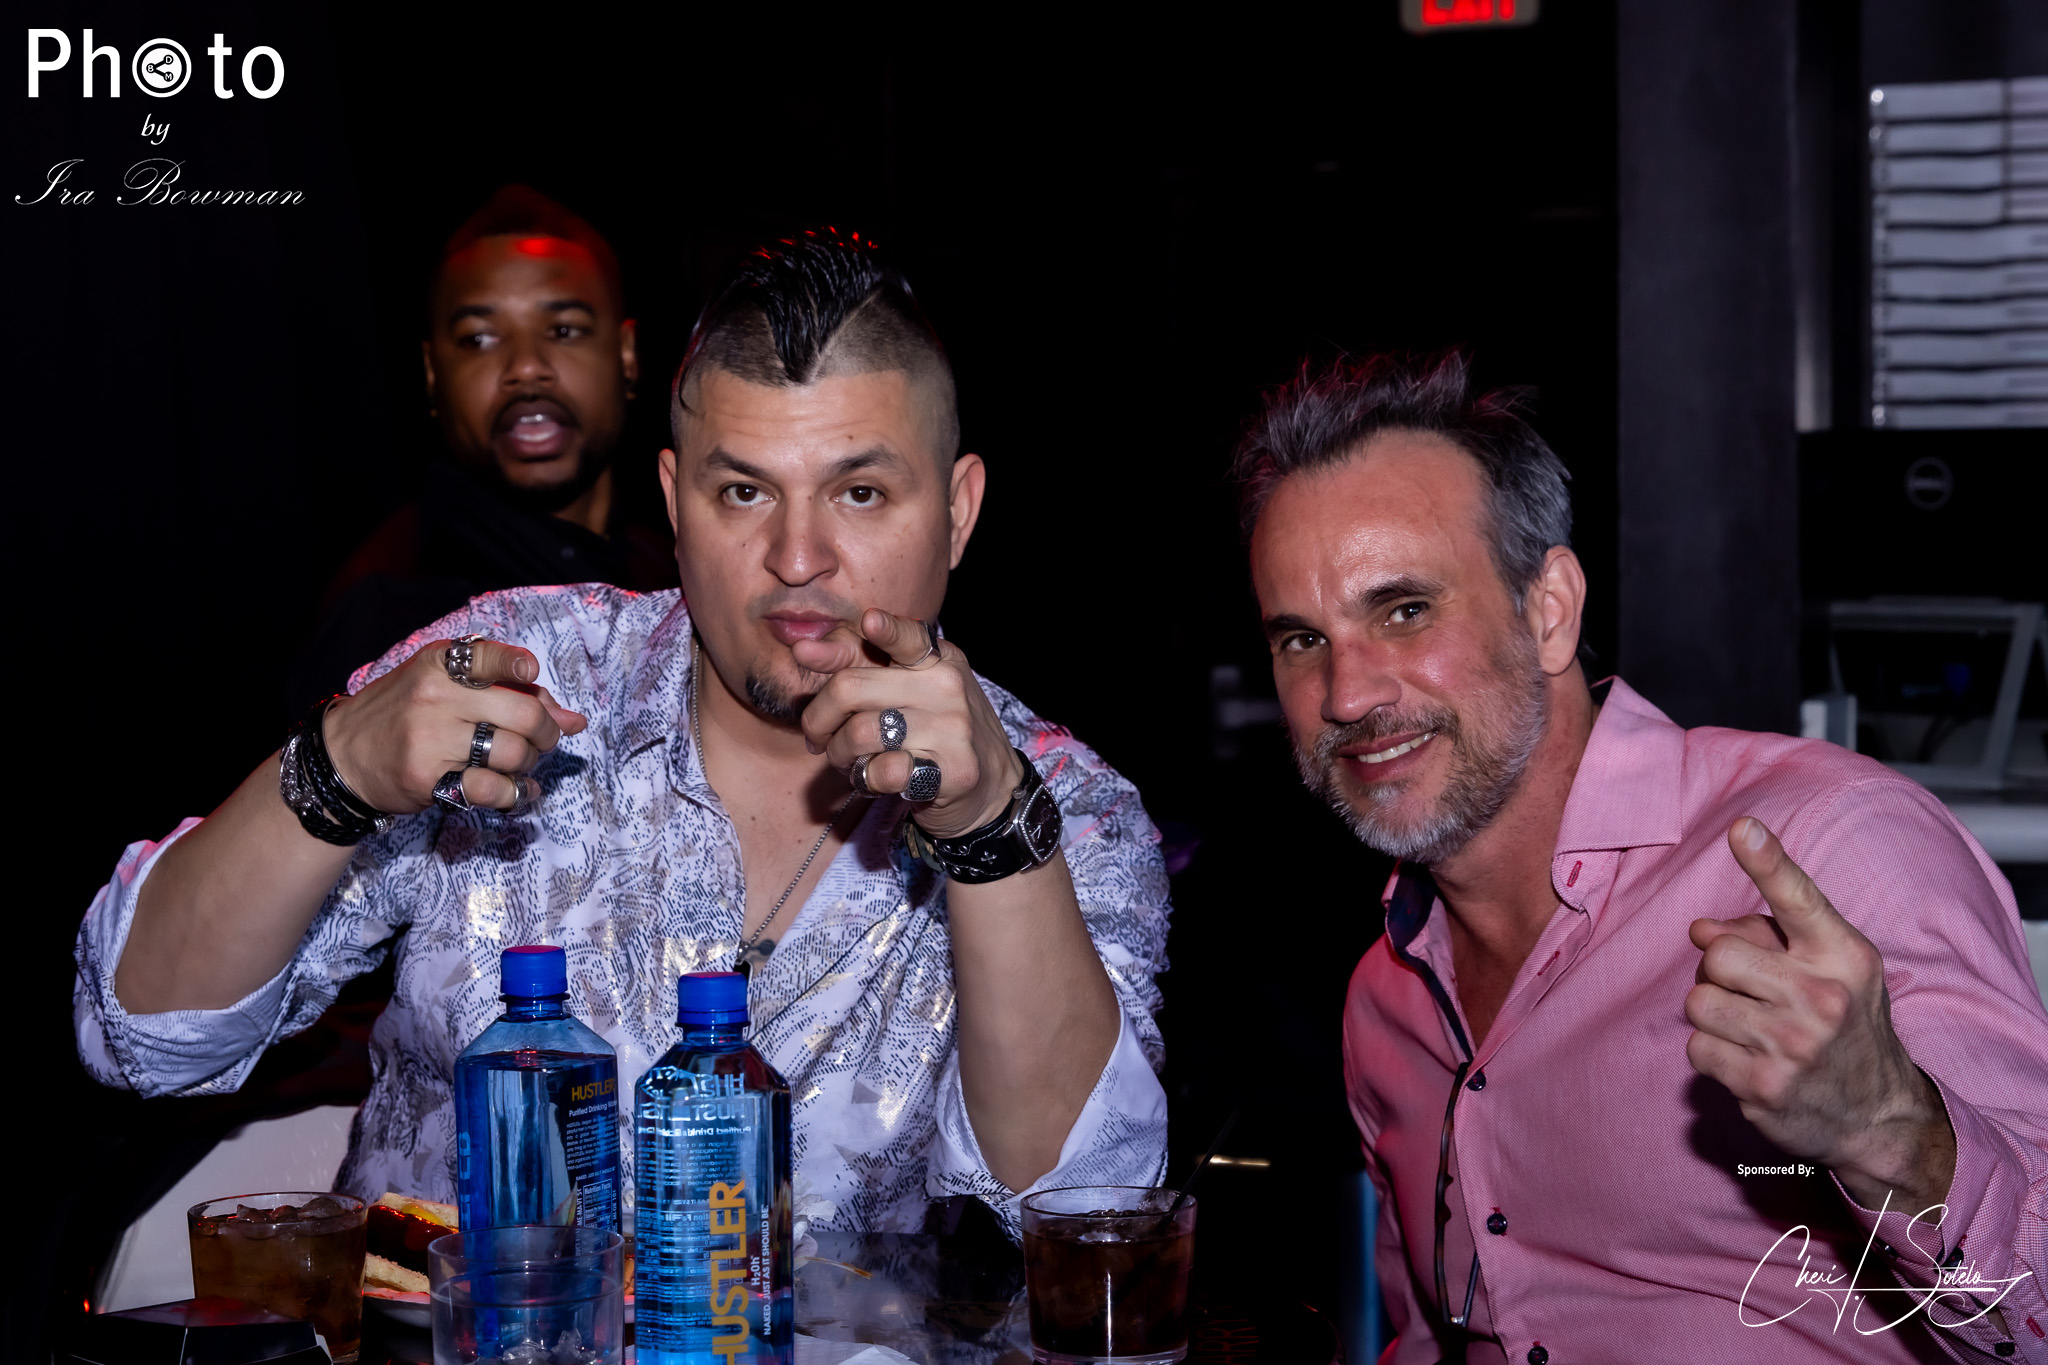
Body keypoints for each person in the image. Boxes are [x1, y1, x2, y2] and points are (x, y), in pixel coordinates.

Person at [75, 228, 1170, 1233]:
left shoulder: (1061, 807)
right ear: (676, 498)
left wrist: (991, 836)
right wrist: (334, 768)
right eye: (744, 493)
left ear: (958, 511)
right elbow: (141, 1036)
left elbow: (1082, 1219)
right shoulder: (516, 669)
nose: (798, 558)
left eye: (860, 494)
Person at [1231, 352, 2048, 1363]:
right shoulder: (1384, 998)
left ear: (1548, 610)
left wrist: (1893, 1135)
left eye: (1404, 610)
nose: (1347, 694)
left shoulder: (1828, 846)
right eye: (1301, 640)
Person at [288, 184, 676, 714]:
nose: (526, 367)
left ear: (626, 354)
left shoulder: (678, 569)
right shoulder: (386, 611)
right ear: (432, 374)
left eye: (564, 329)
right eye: (479, 339)